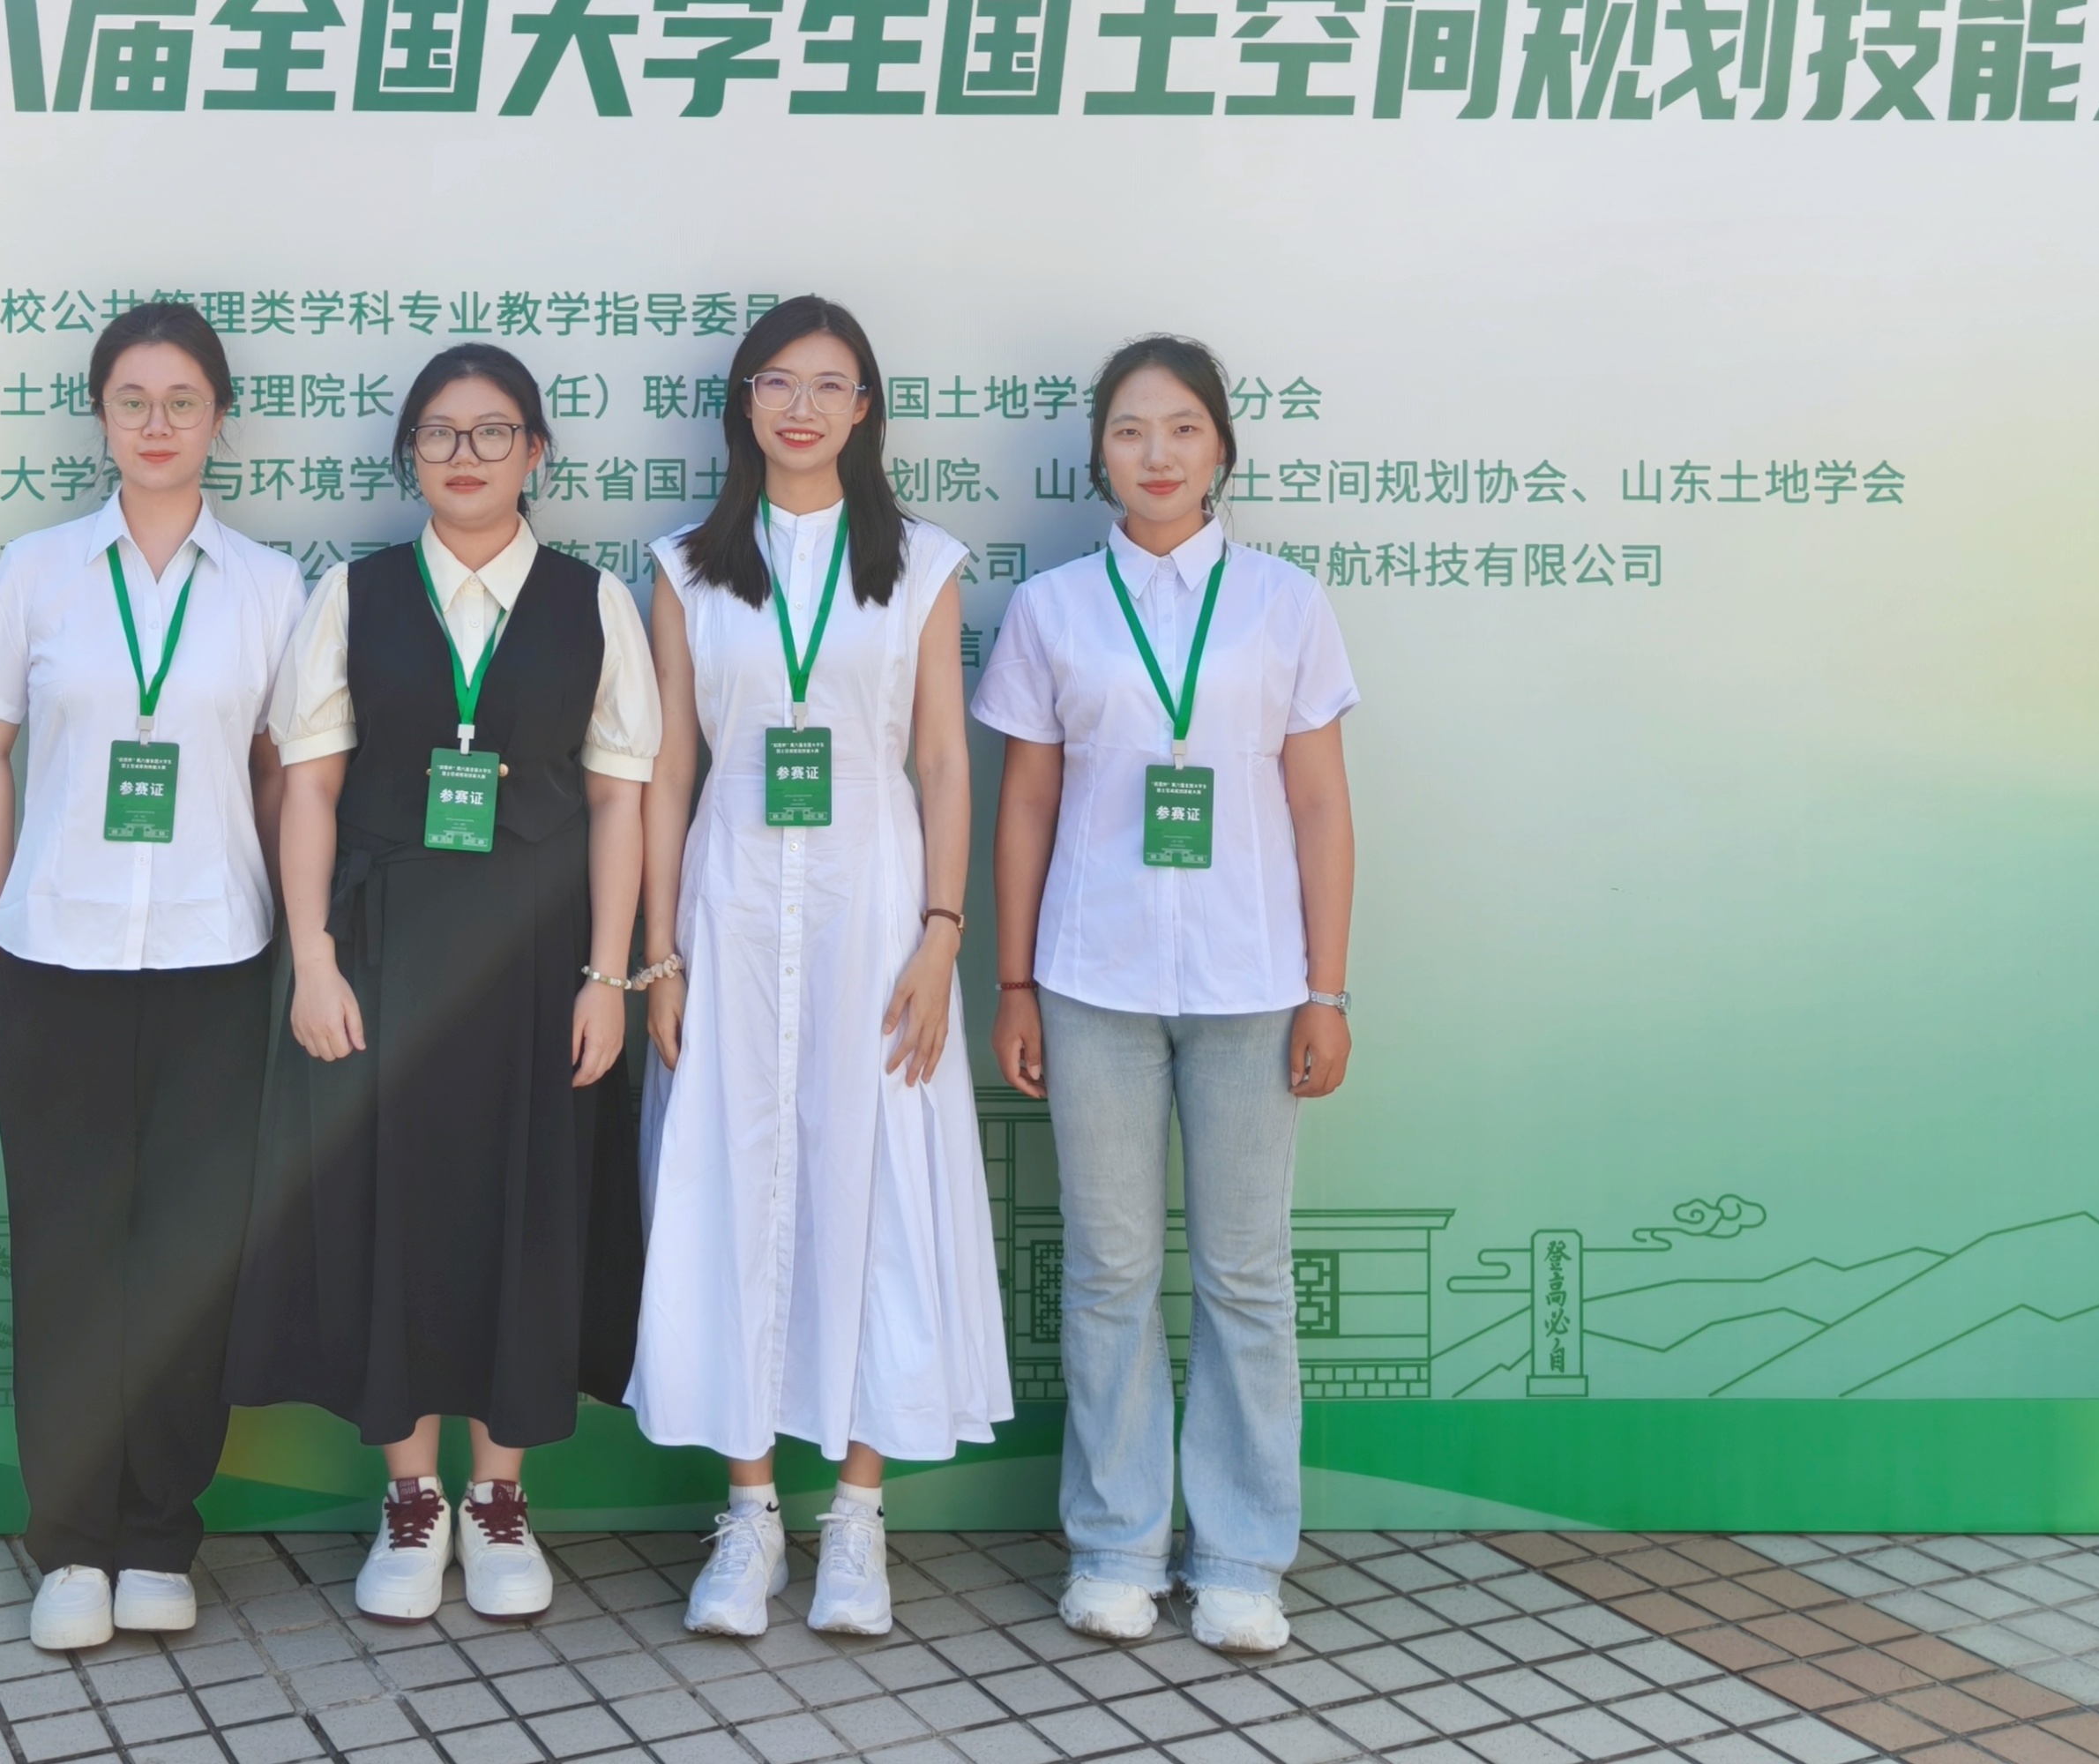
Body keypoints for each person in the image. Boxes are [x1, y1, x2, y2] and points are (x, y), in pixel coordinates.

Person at [228, 342, 657, 1624]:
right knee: (392, 1212)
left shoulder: (594, 603)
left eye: (492, 431)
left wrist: (610, 976)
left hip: (540, 961)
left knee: (529, 1205)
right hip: (384, 951)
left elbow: (620, 802)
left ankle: (501, 1498)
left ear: (536, 452)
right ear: (409, 454)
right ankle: (412, 1497)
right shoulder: (353, 596)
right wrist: (311, 956)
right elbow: (309, 788)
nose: (464, 455)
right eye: (438, 433)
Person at [627, 296, 1012, 1638]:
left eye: (829, 384)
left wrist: (944, 932)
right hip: (730, 904)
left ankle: (856, 1515)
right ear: (744, 404)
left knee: (877, 1183)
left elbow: (945, 761)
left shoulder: (920, 562)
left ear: (865, 409)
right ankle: (749, 1515)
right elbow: (668, 768)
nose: (801, 407)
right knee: (733, 1180)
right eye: (777, 383)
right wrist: (658, 954)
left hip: (876, 907)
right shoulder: (685, 567)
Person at [972, 333, 1359, 1656]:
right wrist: (1013, 982)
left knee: (1246, 1274)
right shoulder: (1054, 609)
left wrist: (1328, 989)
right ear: (1100, 454)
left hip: (1253, 982)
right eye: (1131, 429)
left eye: (1183, 427)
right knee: (1110, 1271)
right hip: (1095, 978)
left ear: (1221, 449)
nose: (1157, 452)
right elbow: (1026, 803)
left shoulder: (1285, 604)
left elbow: (1321, 805)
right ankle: (1118, 1545)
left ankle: (1243, 1557)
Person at [0, 302, 307, 1652]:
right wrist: (5, 908)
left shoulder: (267, 587)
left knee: (188, 1256)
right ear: (100, 416)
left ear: (220, 419)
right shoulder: (39, 571)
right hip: (60, 959)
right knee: (68, 1254)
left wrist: (276, 910)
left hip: (217, 961)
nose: (157, 425)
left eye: (182, 401)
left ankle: (159, 1534)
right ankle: (71, 1545)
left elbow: (282, 772)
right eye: (132, 401)